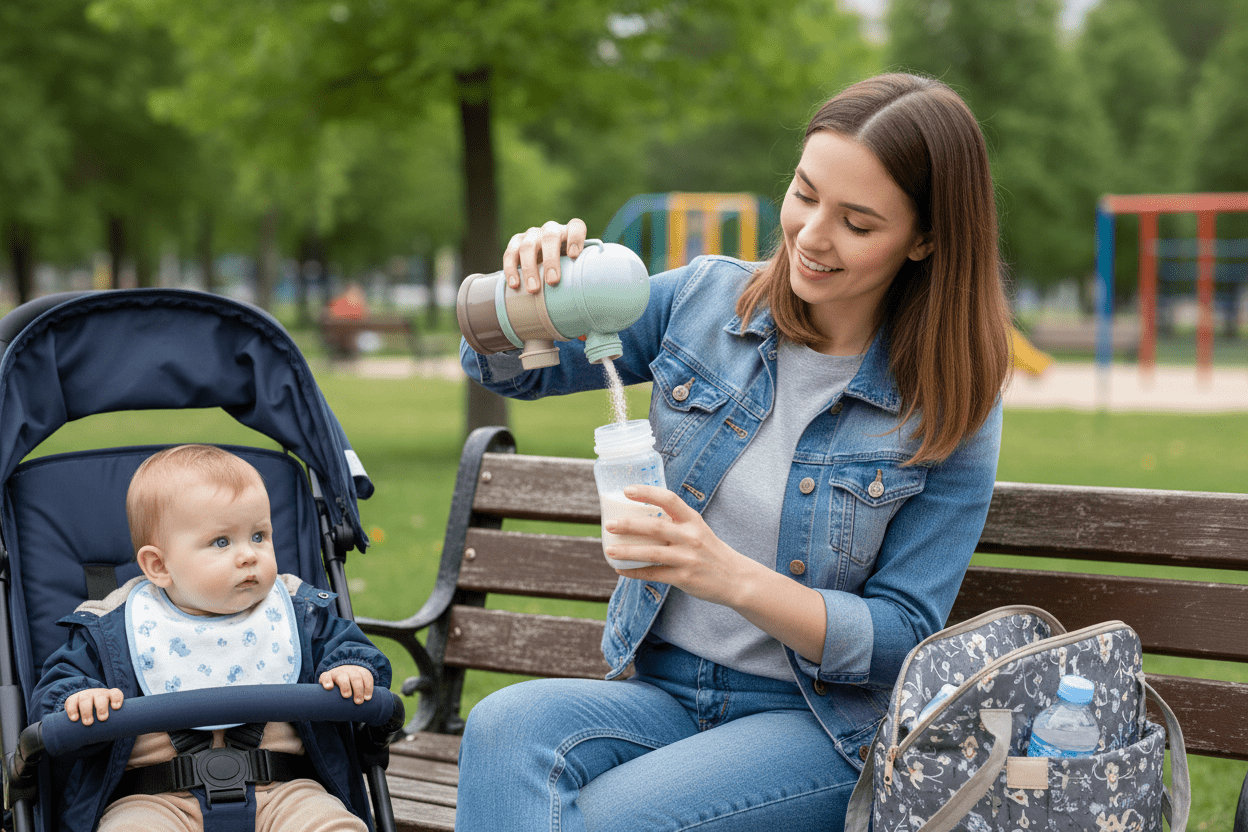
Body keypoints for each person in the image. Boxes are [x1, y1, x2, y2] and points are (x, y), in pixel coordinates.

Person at [455, 72, 1013, 831]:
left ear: (925, 238)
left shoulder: (951, 403)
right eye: (805, 194)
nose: (812, 236)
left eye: (857, 222)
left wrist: (726, 576)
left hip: (816, 724)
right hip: (662, 690)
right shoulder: (707, 303)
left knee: (611, 819)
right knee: (503, 728)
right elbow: (510, 370)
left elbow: (902, 639)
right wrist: (525, 290)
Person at [31, 444, 392, 832]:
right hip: (156, 799)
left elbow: (348, 646)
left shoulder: (296, 613)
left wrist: (351, 667)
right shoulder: (115, 629)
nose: (249, 555)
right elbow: (57, 689)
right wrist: (79, 698)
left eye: (259, 536)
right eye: (222, 542)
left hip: (287, 789)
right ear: (159, 565)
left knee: (332, 824)